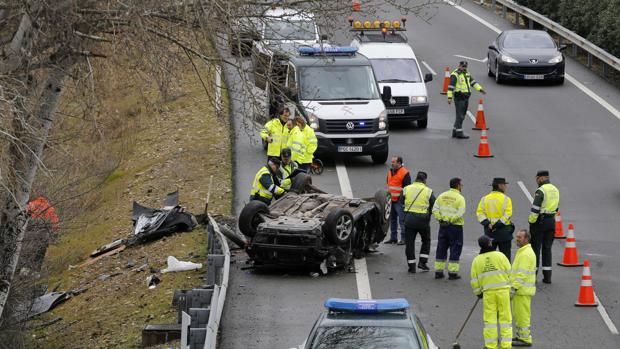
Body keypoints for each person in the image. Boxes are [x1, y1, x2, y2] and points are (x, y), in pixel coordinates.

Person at [471, 235, 513, 349]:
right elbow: (510, 273)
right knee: (505, 320)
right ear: (489, 244)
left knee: (490, 321)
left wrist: (479, 293)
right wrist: (511, 288)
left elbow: (474, 281)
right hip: (503, 292)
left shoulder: (476, 260)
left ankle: (490, 345)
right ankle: (506, 346)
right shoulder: (500, 255)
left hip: (488, 294)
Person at [527, 170, 559, 284]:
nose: (536, 181)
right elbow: (557, 207)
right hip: (551, 222)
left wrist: (531, 222)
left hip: (540, 222)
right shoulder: (555, 189)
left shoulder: (541, 191)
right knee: (547, 248)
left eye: (537, 179)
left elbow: (535, 209)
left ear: (541, 178)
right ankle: (547, 277)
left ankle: (533, 276)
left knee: (535, 249)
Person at [432, 177, 466, 280]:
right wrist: (450, 220)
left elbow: (435, 209)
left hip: (443, 226)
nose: (462, 186)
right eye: (461, 184)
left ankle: (438, 271)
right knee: (455, 248)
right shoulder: (460, 198)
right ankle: (453, 273)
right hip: (455, 227)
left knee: (441, 247)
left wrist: (441, 220)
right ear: (458, 186)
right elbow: (460, 213)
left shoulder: (442, 196)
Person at [402, 171, 435, 273]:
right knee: (426, 240)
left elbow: (401, 202)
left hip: (409, 220)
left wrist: (404, 215)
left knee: (409, 243)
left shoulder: (406, 188)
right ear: (425, 180)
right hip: (423, 221)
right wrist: (428, 215)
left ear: (415, 179)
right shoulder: (428, 191)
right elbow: (434, 204)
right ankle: (422, 262)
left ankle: (411, 267)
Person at [477, 177, 515, 260]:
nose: (506, 187)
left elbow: (480, 213)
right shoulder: (506, 199)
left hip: (489, 233)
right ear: (500, 186)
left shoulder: (484, 199)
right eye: (505, 185)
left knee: (489, 258)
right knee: (505, 258)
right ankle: (505, 273)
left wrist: (488, 224)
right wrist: (497, 225)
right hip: (504, 233)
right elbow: (507, 214)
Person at [446, 61, 486, 139]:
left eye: (465, 67)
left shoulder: (467, 74)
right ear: (459, 66)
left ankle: (454, 130)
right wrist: (449, 97)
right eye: (462, 66)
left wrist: (480, 89)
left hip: (466, 97)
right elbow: (450, 87)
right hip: (459, 97)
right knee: (460, 115)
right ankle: (459, 132)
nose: (464, 68)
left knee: (462, 115)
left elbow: (473, 82)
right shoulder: (455, 75)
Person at [511, 229, 536, 347]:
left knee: (523, 316)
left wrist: (513, 288)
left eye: (520, 237)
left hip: (522, 291)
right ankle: (521, 336)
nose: (517, 239)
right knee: (519, 315)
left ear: (526, 239)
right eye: (517, 236)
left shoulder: (525, 254)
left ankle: (525, 339)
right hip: (521, 291)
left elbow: (522, 274)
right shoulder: (523, 251)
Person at [385, 156, 411, 245]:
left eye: (394, 162)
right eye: (391, 162)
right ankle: (393, 238)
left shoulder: (404, 173)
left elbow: (407, 188)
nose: (392, 163)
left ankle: (404, 239)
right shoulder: (390, 171)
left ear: (399, 163)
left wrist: (403, 200)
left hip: (399, 201)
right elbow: (388, 183)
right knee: (392, 220)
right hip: (391, 200)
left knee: (402, 220)